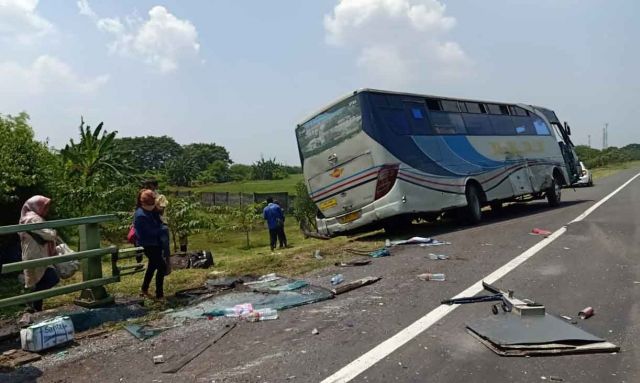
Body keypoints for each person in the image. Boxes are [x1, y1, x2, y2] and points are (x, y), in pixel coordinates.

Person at [18, 195, 59, 312]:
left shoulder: (27, 217)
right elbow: (48, 234)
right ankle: (30, 299)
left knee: (39, 281)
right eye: (45, 207)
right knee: (52, 278)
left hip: (33, 253)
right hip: (36, 254)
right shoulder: (33, 218)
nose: (47, 210)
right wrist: (54, 232)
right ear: (36, 206)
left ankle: (35, 308)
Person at [134, 189, 167, 300]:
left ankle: (144, 288)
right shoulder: (140, 215)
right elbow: (143, 234)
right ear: (143, 203)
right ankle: (159, 295)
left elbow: (159, 220)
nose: (152, 206)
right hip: (147, 244)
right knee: (162, 267)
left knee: (152, 266)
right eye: (150, 205)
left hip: (156, 242)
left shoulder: (152, 211)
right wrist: (161, 230)